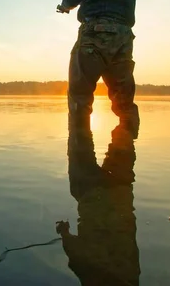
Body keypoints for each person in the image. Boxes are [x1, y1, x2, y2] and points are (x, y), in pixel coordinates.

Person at [57, 0, 139, 131]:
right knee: (124, 102)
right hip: (124, 36)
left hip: (95, 33)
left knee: (80, 98)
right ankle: (127, 151)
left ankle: (81, 158)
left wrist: (66, 4)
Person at [56, 118, 141, 285]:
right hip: (93, 191)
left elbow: (76, 256)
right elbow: (75, 255)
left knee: (123, 128)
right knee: (79, 129)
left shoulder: (129, 279)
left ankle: (124, 116)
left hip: (119, 190)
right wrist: (64, 233)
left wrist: (65, 234)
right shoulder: (91, 277)